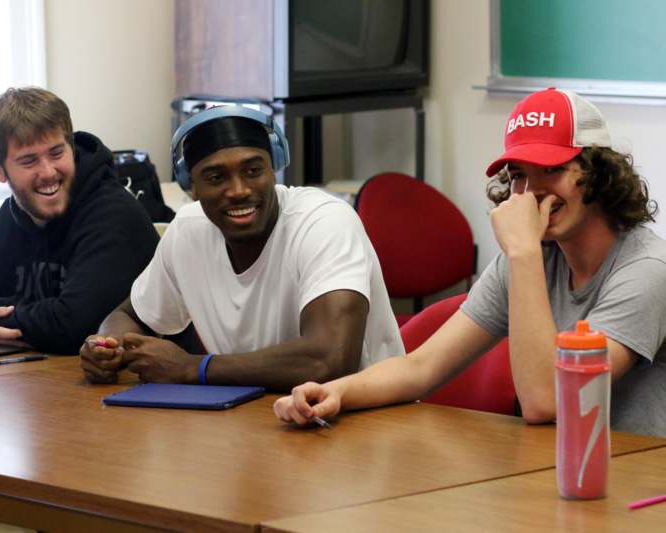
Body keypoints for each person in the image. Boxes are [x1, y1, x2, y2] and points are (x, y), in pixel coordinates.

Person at [274, 87, 666, 437]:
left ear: (600, 175)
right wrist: (334, 392)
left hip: (635, 485)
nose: (529, 194)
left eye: (552, 170)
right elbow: (420, 369)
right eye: (518, 176)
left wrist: (524, 253)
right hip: (551, 470)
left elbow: (546, 402)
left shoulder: (646, 269)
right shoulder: (531, 256)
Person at [80, 106, 404, 390]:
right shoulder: (189, 231)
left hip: (364, 423)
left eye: (253, 171)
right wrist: (107, 346)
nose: (239, 190)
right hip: (261, 419)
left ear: (273, 168)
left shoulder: (324, 222)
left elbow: (330, 359)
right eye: (216, 177)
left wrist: (193, 368)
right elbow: (128, 315)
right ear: (191, 187)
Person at [0, 87, 159, 354]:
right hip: (33, 382)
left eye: (56, 153)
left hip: (118, 386)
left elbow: (74, 325)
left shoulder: (114, 215)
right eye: (29, 161)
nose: (48, 172)